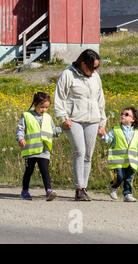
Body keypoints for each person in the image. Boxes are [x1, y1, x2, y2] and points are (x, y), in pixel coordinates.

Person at [54, 49, 106, 201]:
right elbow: (60, 97)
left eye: (96, 67)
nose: (94, 70)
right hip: (73, 119)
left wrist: (102, 122)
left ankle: (84, 188)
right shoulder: (68, 74)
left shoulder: (96, 77)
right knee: (80, 151)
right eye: (92, 67)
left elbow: (100, 100)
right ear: (83, 63)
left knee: (88, 155)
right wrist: (63, 117)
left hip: (93, 120)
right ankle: (79, 189)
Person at [16, 92, 62, 201]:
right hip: (30, 150)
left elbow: (53, 131)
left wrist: (62, 128)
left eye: (46, 107)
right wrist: (20, 138)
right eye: (41, 107)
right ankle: (25, 190)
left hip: (44, 150)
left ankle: (48, 191)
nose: (44, 110)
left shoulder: (48, 117)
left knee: (45, 170)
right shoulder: (26, 116)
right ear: (35, 104)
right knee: (29, 171)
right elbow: (20, 129)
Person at [101, 107, 138, 202]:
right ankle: (114, 187)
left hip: (132, 161)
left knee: (129, 179)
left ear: (133, 119)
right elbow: (108, 139)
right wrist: (103, 135)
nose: (123, 115)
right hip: (118, 160)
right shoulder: (115, 130)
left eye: (126, 114)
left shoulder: (137, 133)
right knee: (119, 176)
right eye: (122, 114)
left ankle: (128, 194)